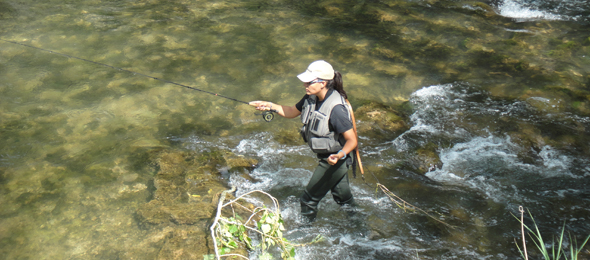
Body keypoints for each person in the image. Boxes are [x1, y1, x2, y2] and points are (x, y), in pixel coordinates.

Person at [249, 60, 358, 221]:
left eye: (309, 82)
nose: (305, 85)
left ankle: (304, 233)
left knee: (308, 200)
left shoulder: (337, 109)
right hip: (328, 157)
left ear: (322, 83)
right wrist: (269, 105)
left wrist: (339, 155)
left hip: (334, 160)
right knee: (343, 198)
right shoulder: (311, 97)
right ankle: (361, 230)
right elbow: (292, 111)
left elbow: (352, 141)